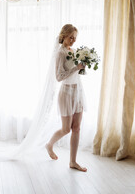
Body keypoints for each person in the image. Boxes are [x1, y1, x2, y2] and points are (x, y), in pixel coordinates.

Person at [45, 24, 87, 172]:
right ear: (63, 36)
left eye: (75, 38)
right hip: (66, 93)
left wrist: (83, 68)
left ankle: (73, 162)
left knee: (77, 127)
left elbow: (76, 73)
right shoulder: (60, 53)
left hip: (78, 91)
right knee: (66, 129)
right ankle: (49, 144)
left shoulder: (74, 51)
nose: (73, 41)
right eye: (71, 37)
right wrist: (77, 68)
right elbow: (59, 77)